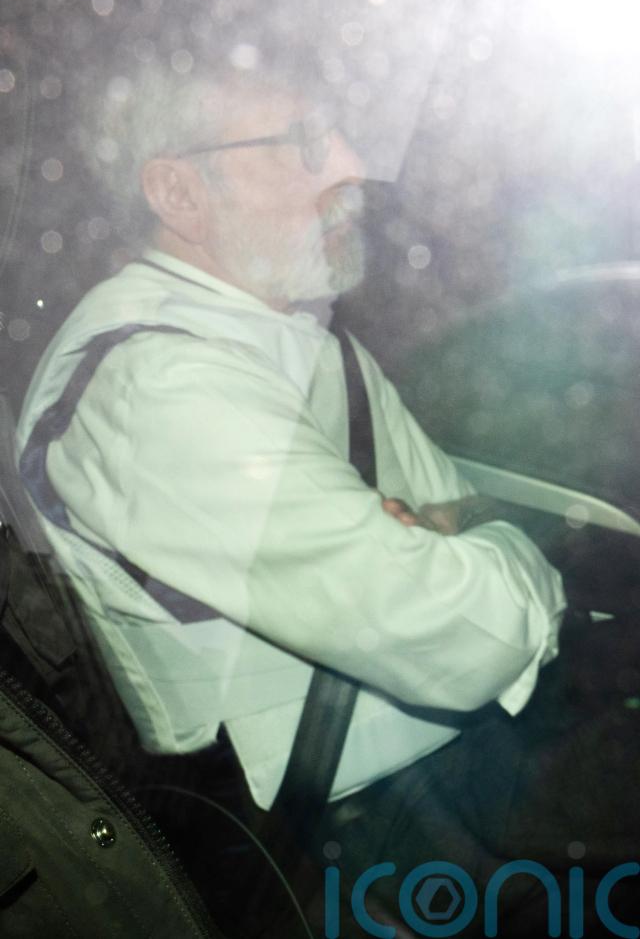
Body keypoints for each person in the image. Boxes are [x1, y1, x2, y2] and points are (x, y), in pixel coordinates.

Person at [15, 58, 639, 937]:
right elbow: (472, 633)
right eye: (305, 142)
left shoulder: (299, 337)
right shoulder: (155, 386)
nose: (353, 163)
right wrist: (474, 545)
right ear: (179, 192)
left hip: (467, 752)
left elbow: (463, 532)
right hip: (368, 830)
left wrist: (461, 542)